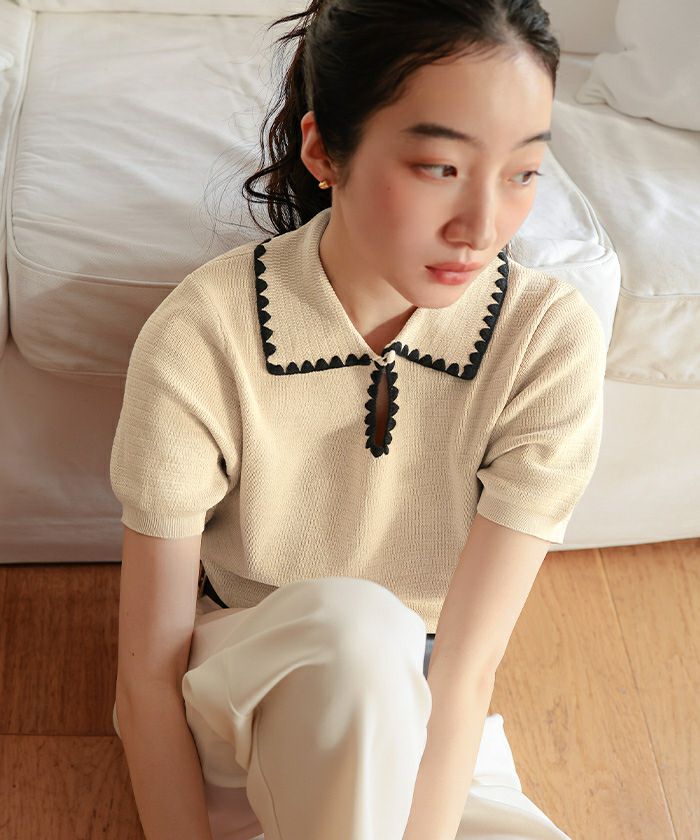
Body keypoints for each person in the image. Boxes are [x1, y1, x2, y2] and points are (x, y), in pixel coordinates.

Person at [109, 1, 606, 839]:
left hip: (428, 720)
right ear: (323, 151)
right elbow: (146, 681)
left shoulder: (545, 340)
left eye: (523, 173)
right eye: (439, 167)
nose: (481, 227)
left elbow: (465, 670)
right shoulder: (206, 330)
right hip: (237, 705)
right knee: (355, 630)